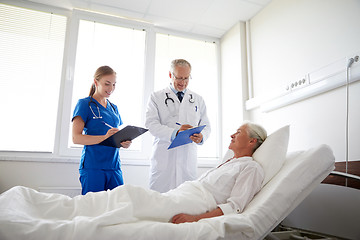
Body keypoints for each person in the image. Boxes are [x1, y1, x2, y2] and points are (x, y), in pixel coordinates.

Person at [0, 122, 267, 232]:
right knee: (124, 195)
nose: (232, 135)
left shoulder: (251, 168)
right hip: (184, 192)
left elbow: (234, 206)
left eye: (239, 132)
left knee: (128, 198)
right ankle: (42, 208)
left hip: (195, 203)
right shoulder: (229, 162)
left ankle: (67, 223)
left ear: (253, 141)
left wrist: (195, 219)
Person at [145, 59, 211, 193]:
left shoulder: (197, 99)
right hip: (164, 158)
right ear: (170, 75)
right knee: (159, 202)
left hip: (187, 159)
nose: (183, 82)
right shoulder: (156, 97)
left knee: (185, 200)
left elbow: (206, 125)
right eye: (179, 78)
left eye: (186, 78)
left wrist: (202, 136)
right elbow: (151, 124)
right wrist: (175, 133)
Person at [72, 66, 131, 195]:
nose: (111, 88)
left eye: (114, 84)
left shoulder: (113, 108)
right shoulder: (84, 104)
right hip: (93, 166)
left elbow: (114, 137)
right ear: (96, 82)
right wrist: (104, 137)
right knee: (93, 208)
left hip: (114, 166)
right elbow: (76, 138)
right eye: (107, 84)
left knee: (118, 205)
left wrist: (123, 142)